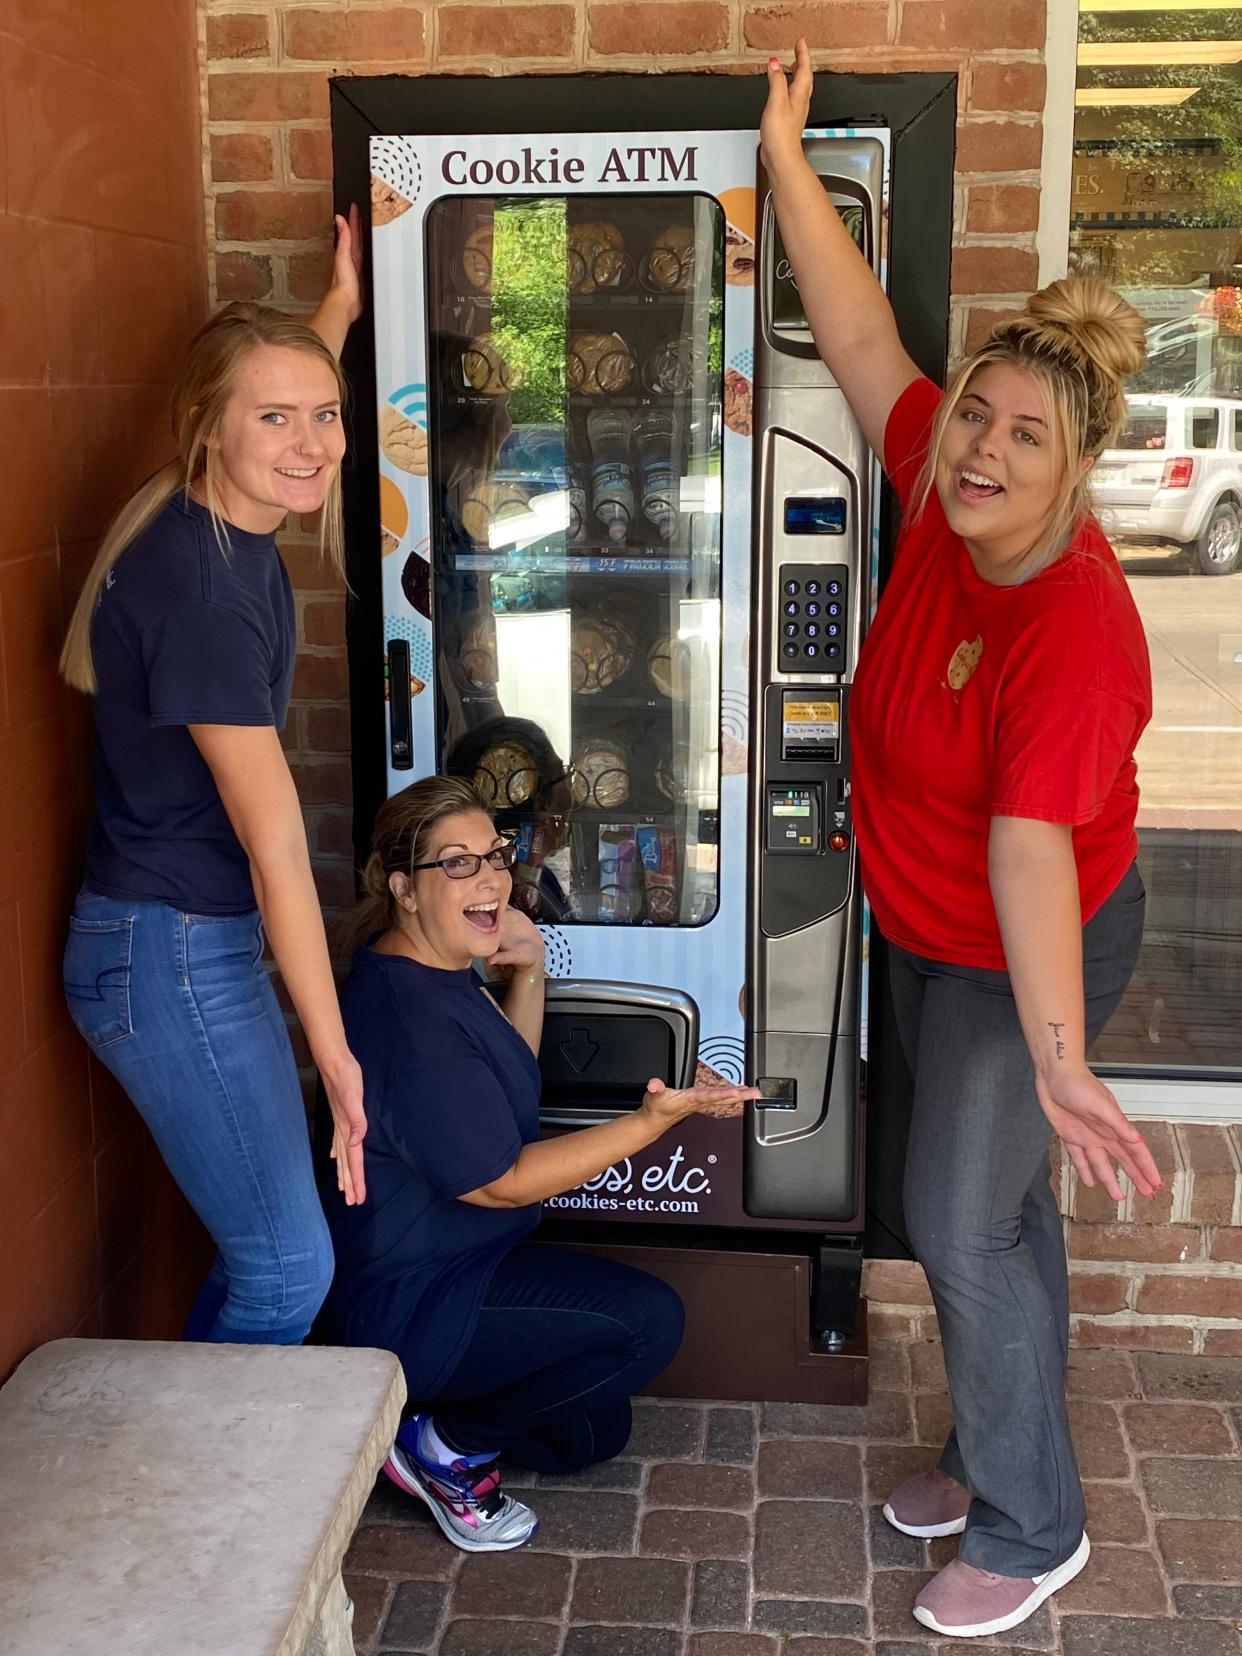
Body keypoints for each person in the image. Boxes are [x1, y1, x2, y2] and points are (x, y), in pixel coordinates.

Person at [762, 43, 1162, 1641]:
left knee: (954, 1216)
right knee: (996, 1211)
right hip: (932, 927)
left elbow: (1029, 857)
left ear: (1079, 474)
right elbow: (857, 334)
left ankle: (1030, 1517)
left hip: (1033, 933)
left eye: (1023, 441)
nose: (981, 451)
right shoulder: (937, 486)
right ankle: (998, 1439)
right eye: (977, 416)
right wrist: (785, 157)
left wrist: (1059, 1057)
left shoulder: (1070, 627)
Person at [60, 212, 368, 1344]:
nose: (313, 444)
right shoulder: (199, 597)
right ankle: (193, 1515)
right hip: (169, 955)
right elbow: (277, 845)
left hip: (181, 938)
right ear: (205, 430)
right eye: (276, 419)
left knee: (268, 1264)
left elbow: (285, 414)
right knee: (288, 1272)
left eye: (326, 415)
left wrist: (337, 306)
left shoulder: (226, 517)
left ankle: (193, 1457)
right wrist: (337, 1063)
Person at [317, 774, 758, 1552]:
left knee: (589, 1433)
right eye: (457, 864)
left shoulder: (439, 970)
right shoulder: (409, 1018)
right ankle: (438, 1448)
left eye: (495, 853)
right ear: (403, 889)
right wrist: (653, 1122)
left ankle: (431, 1428)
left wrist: (529, 974)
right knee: (649, 1324)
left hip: (469, 1268)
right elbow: (500, 1179)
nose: (491, 878)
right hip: (414, 1305)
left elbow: (505, 1090)